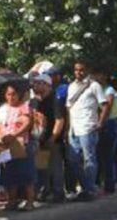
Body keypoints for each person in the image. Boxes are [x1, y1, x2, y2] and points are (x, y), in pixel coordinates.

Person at [66, 61, 109, 202]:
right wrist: (68, 128)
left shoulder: (94, 85)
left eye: (82, 70)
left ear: (87, 70)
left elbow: (105, 105)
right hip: (74, 128)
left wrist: (100, 122)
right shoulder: (71, 87)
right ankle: (87, 186)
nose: (79, 72)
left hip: (88, 127)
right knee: (73, 160)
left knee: (89, 159)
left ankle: (89, 190)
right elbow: (69, 108)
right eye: (76, 70)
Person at [0, 82, 36, 211]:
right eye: (8, 94)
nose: (11, 97)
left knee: (26, 174)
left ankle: (30, 201)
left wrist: (14, 135)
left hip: (21, 143)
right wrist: (1, 135)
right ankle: (12, 201)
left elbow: (27, 123)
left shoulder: (24, 107)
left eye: (14, 94)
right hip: (6, 144)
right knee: (9, 173)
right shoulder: (1, 109)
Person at [32, 71, 67, 204]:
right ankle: (45, 191)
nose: (35, 86)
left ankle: (58, 193)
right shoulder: (34, 102)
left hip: (52, 139)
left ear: (47, 85)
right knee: (42, 167)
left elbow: (60, 120)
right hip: (39, 139)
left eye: (38, 83)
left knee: (55, 167)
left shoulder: (54, 100)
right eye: (34, 83)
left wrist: (53, 137)